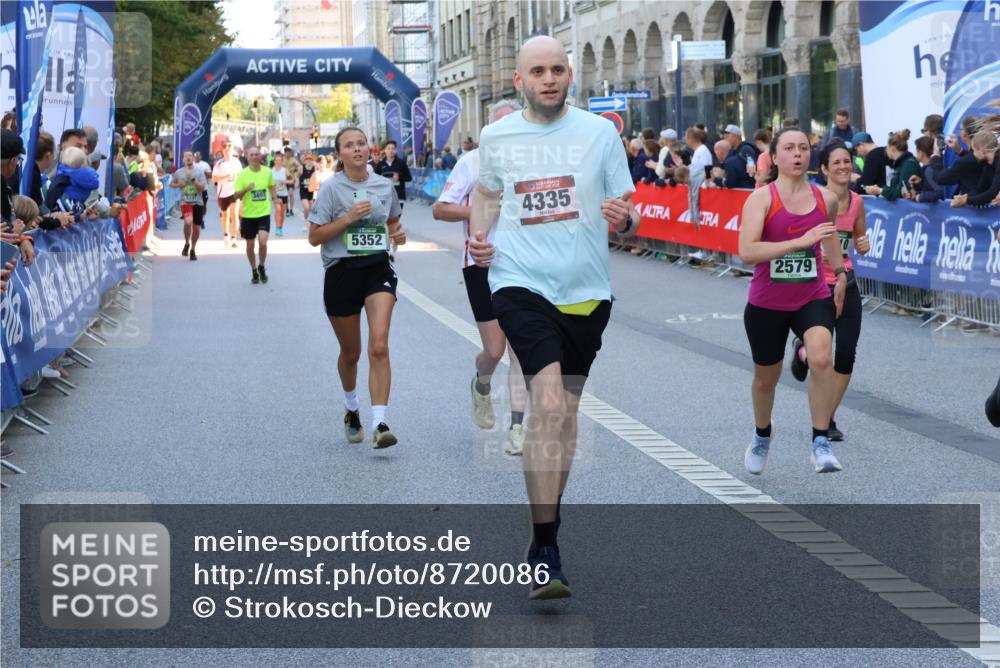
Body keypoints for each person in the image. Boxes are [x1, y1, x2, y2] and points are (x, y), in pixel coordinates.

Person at [468, 35, 639, 600]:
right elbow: (487, 195)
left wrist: (624, 220)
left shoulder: (599, 133)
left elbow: (628, 211)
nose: (549, 79)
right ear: (519, 80)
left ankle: (549, 522)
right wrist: (479, 236)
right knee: (544, 401)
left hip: (587, 291)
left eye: (557, 70)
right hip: (519, 282)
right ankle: (545, 545)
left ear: (570, 76)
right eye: (537, 71)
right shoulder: (496, 136)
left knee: (564, 415)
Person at [737, 126, 848, 475]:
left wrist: (841, 274)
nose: (798, 154)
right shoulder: (761, 199)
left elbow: (827, 239)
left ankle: (820, 442)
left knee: (821, 358)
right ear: (775, 156)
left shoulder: (825, 199)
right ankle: (762, 434)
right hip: (767, 302)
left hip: (811, 296)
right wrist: (800, 242)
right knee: (765, 380)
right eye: (789, 148)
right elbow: (747, 252)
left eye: (803, 147)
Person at [432, 99, 530, 455]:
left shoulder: (533, 161)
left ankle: (517, 427)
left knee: (520, 350)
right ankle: (482, 384)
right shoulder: (471, 163)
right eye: (499, 127)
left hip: (524, 264)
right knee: (494, 348)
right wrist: (483, 208)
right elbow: (440, 208)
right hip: (480, 263)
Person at [307, 127, 407, 449]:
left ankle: (380, 422)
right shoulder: (331, 189)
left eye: (361, 143)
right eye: (349, 146)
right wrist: (348, 218)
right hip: (341, 271)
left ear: (369, 149)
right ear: (340, 154)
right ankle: (352, 409)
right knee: (351, 353)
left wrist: (398, 234)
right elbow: (315, 237)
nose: (357, 149)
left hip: (377, 268)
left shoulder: (383, 185)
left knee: (379, 346)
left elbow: (392, 222)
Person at [788, 141, 870, 442]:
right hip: (817, 283)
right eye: (836, 163)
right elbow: (792, 236)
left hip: (846, 281)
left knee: (846, 353)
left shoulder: (857, 202)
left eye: (847, 162)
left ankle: (829, 415)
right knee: (823, 353)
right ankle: (802, 350)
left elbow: (859, 238)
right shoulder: (811, 200)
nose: (843, 167)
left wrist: (863, 244)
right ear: (824, 169)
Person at [233, 147, 275, 284]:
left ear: (260, 156)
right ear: (247, 156)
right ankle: (254, 270)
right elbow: (235, 196)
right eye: (252, 155)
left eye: (257, 154)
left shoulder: (267, 172)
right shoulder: (243, 175)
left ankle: (261, 265)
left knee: (263, 241)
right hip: (248, 215)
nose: (254, 157)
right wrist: (246, 189)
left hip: (263, 212)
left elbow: (271, 186)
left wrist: (275, 198)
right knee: (250, 246)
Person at [170, 150, 207, 261]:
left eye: (190, 156)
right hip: (185, 202)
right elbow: (171, 184)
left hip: (198, 202)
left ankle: (193, 249)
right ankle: (186, 242)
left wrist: (193, 180)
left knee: (196, 228)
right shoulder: (179, 172)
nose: (188, 158)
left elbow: (202, 187)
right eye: (186, 156)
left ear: (193, 159)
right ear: (183, 159)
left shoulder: (199, 172)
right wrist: (178, 185)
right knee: (188, 221)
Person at [863, 129, 920, 201]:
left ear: (892, 149)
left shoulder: (908, 165)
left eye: (887, 148)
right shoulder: (903, 164)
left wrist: (880, 190)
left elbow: (901, 192)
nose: (886, 150)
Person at [950, 129, 1000, 209]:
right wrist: (964, 197)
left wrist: (966, 201)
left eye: (974, 150)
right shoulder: (988, 164)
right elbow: (980, 188)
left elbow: (992, 193)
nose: (973, 154)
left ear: (982, 151)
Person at [939, 115, 988, 196]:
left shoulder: (964, 162)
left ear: (964, 133)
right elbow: (973, 157)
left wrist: (935, 157)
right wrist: (960, 151)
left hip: (973, 205)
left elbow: (941, 179)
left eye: (960, 129)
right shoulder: (989, 154)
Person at [212, 142, 243, 248]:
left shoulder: (236, 162)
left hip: (234, 192)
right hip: (223, 192)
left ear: (231, 150)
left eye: (229, 148)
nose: (227, 149)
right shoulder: (219, 163)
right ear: (222, 151)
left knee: (234, 214)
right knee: (225, 215)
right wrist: (225, 177)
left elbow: (241, 175)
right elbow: (214, 178)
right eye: (225, 148)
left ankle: (234, 239)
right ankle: (226, 235)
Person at [904, 136, 945, 203]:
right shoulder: (932, 167)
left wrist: (919, 197)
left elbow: (940, 193)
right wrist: (920, 182)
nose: (916, 154)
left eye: (917, 151)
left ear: (921, 153)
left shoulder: (929, 170)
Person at [374, 140, 413, 209]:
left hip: (398, 196)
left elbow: (409, 178)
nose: (391, 151)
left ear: (395, 150)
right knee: (386, 218)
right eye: (388, 148)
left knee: (396, 218)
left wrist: (399, 177)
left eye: (393, 149)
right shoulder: (380, 164)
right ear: (385, 150)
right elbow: (375, 180)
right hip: (385, 196)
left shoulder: (401, 163)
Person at [299, 154, 317, 232]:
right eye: (307, 159)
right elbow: (297, 176)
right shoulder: (301, 168)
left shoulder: (314, 168)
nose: (309, 160)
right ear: (305, 160)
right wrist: (297, 180)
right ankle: (305, 223)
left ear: (312, 160)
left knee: (312, 209)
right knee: (306, 208)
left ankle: (311, 223)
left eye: (310, 159)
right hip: (304, 191)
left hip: (312, 191)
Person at [271, 154, 288, 236]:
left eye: (279, 160)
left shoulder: (285, 170)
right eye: (276, 160)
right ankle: (277, 228)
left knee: (282, 212)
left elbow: (292, 180)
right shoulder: (271, 171)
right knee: (278, 209)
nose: (278, 162)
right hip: (275, 194)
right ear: (274, 161)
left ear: (281, 161)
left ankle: (280, 227)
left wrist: (286, 182)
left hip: (284, 193)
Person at [283, 147, 300, 216]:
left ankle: (291, 209)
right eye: (287, 153)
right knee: (285, 195)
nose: (288, 154)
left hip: (291, 179)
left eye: (290, 153)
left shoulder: (293, 160)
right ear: (285, 153)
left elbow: (299, 167)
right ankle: (287, 209)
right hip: (283, 180)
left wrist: (296, 172)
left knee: (291, 193)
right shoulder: (282, 160)